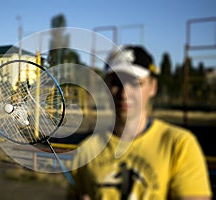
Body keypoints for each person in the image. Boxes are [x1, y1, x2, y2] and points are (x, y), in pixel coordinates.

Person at [67, 45, 212, 200]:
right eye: (116, 82)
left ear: (153, 87)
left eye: (135, 82)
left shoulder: (179, 146)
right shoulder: (86, 152)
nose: (124, 93)